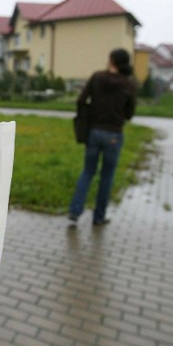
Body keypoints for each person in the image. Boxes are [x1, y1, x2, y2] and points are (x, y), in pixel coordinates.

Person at [68, 48, 137, 227]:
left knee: (88, 171)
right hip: (114, 134)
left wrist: (88, 116)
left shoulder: (97, 77)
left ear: (112, 60)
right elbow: (130, 113)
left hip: (94, 132)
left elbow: (81, 100)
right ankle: (99, 217)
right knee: (107, 176)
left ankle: (75, 212)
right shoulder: (128, 85)